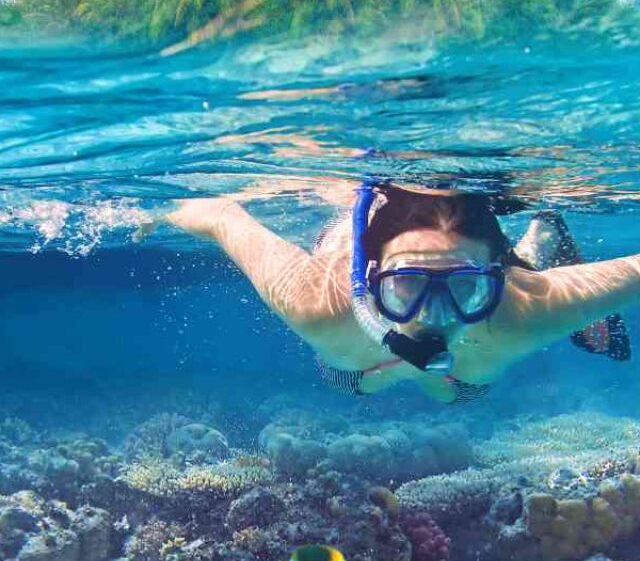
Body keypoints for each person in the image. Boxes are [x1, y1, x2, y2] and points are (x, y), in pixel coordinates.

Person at [139, 180, 636, 403]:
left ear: (498, 281)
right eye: (406, 285)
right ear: (370, 278)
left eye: (465, 287)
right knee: (350, 376)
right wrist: (152, 213)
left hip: (467, 357)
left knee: (463, 388)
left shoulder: (524, 309)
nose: (432, 317)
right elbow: (224, 216)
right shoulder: (319, 303)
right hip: (356, 354)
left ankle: (537, 239)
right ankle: (529, 243)